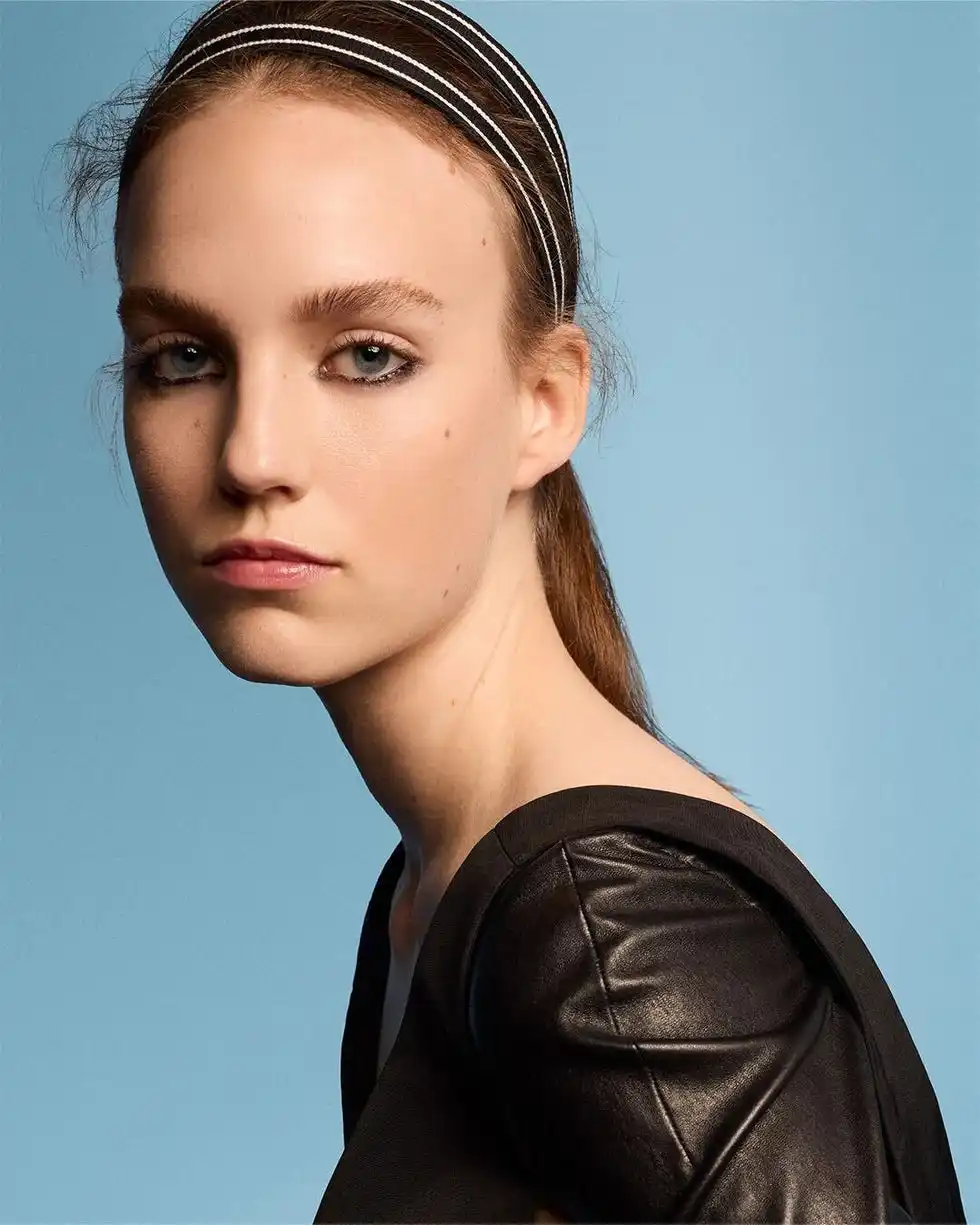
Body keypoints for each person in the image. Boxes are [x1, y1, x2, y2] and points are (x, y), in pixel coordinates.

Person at [54, 1, 965, 1220]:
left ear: (543, 400)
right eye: (183, 356)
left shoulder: (598, 930)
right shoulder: (441, 895)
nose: (251, 453)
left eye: (366, 354)